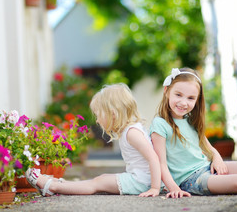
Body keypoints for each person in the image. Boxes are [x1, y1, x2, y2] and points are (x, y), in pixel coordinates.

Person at [150, 67, 237, 198]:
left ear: (197, 100)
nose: (183, 102)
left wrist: (217, 159)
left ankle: (229, 181)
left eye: (191, 98)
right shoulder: (160, 124)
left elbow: (208, 148)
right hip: (190, 180)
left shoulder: (190, 120)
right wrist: (174, 188)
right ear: (166, 91)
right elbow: (161, 163)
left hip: (208, 167)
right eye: (178, 95)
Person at [26, 83, 161, 197]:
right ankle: (57, 184)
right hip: (140, 179)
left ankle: (53, 186)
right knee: (99, 180)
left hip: (141, 182)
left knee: (97, 183)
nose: (96, 120)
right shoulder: (130, 130)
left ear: (113, 114)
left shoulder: (132, 133)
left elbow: (153, 158)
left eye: (98, 115)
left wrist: (155, 188)